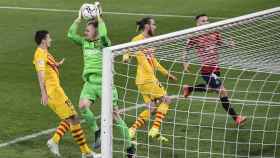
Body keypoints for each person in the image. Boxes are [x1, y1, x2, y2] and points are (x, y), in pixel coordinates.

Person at [67, 4, 135, 157]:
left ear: (95, 31)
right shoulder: (84, 42)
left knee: (115, 116)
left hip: (105, 84)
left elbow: (103, 35)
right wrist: (78, 19)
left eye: (88, 30)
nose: (85, 32)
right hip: (90, 83)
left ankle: (130, 147)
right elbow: (70, 35)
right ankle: (97, 131)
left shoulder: (104, 44)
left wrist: (99, 18)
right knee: (83, 107)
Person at [33, 30, 100, 158]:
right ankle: (84, 152)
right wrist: (44, 93)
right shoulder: (40, 54)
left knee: (70, 117)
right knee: (73, 117)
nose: (51, 40)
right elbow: (40, 73)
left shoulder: (43, 53)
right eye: (49, 38)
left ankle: (56, 141)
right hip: (54, 92)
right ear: (43, 40)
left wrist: (56, 64)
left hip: (56, 90)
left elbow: (46, 67)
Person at [182, 14, 246, 125]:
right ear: (197, 24)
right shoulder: (194, 36)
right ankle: (236, 118)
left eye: (207, 20)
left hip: (216, 68)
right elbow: (185, 50)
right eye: (203, 21)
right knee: (222, 91)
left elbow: (220, 43)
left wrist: (229, 45)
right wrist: (184, 63)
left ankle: (190, 88)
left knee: (212, 89)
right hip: (206, 70)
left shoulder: (214, 32)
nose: (206, 22)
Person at [123, 17, 177, 142]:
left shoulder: (151, 42)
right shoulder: (137, 40)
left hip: (142, 81)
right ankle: (155, 129)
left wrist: (166, 73)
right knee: (167, 100)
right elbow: (127, 50)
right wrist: (126, 58)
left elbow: (154, 61)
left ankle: (131, 130)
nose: (155, 27)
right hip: (147, 80)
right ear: (147, 26)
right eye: (153, 25)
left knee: (152, 108)